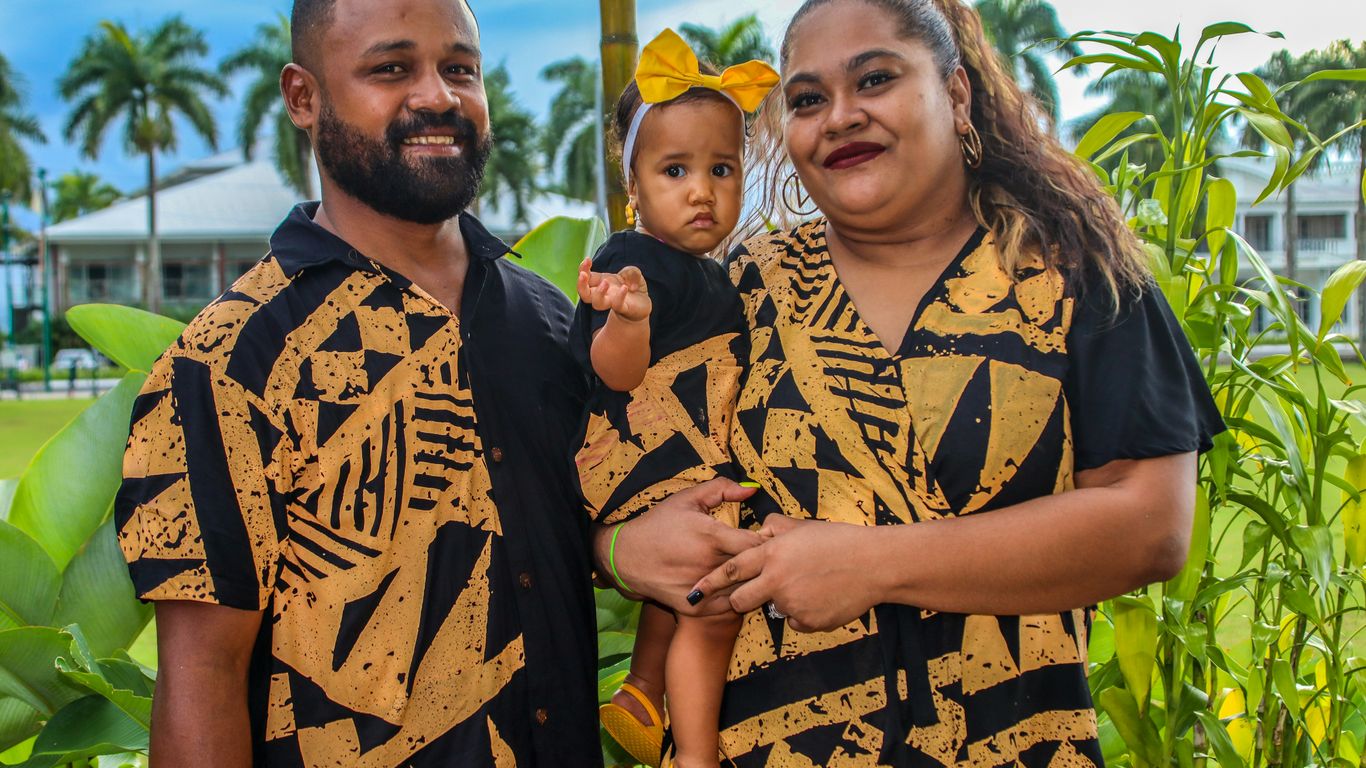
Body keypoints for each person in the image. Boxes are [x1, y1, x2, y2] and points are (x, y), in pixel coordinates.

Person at [599, 0, 1226, 765]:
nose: (839, 117)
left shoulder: (1067, 271)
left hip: (1013, 739)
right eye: (807, 100)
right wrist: (621, 547)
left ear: (957, 93)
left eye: (875, 79)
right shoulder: (735, 290)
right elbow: (615, 457)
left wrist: (873, 564)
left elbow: (1152, 526)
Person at [112, 0, 600, 765]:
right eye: (391, 68)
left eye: (460, 69)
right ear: (303, 97)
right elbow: (203, 676)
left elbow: (582, 535)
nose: (437, 96)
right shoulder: (231, 361)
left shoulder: (546, 321)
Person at [572, 30, 777, 768]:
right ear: (634, 187)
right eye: (675, 170)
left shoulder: (718, 273)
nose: (702, 190)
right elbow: (616, 373)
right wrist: (627, 319)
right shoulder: (635, 263)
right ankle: (693, 753)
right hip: (647, 447)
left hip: (679, 457)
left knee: (687, 592)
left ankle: (643, 690)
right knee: (717, 607)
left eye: (722, 169)